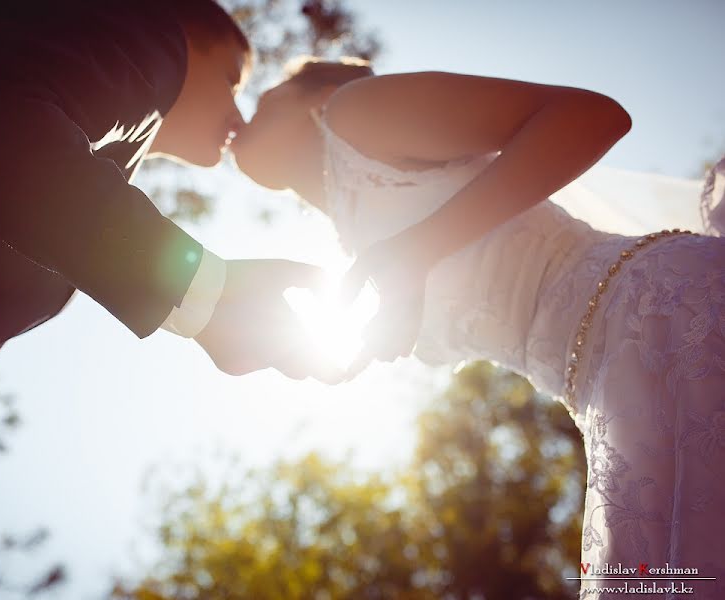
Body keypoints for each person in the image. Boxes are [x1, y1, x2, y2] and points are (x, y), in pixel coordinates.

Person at [0, 1, 342, 596]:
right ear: (184, 33)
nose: (237, 110)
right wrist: (209, 293)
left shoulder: (100, 143)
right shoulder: (144, 30)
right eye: (230, 77)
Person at [229, 56, 725, 598]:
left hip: (654, 313)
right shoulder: (350, 233)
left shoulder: (353, 111)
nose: (243, 114)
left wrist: (418, 250)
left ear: (312, 96)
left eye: (261, 96)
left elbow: (593, 117)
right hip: (607, 397)